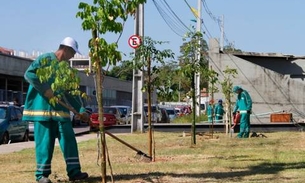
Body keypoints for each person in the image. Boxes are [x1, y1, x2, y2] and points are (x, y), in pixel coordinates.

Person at [22, 37, 89, 183]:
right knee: (44, 144)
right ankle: (41, 176)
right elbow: (29, 74)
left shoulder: (67, 70)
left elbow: (72, 93)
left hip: (61, 113)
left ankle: (74, 172)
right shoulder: (45, 59)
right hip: (42, 112)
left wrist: (81, 110)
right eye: (72, 53)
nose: (73, 56)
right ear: (65, 49)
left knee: (69, 141)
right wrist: (45, 89)